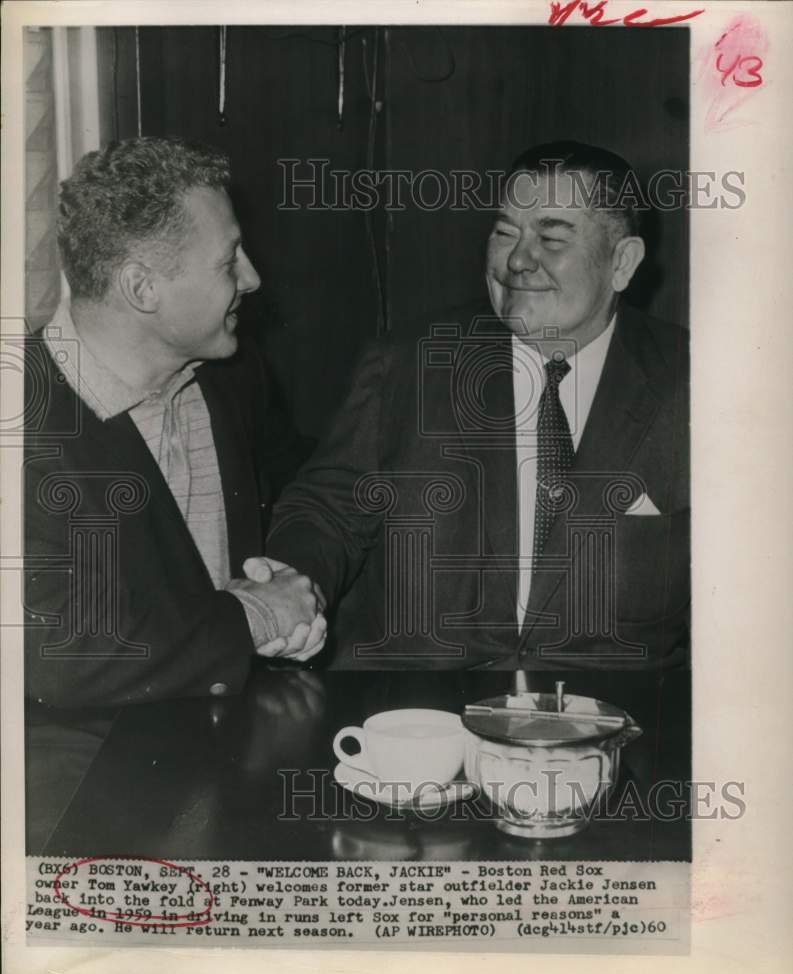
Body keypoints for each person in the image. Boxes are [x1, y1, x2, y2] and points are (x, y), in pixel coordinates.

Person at [265, 141, 690, 670]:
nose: (516, 260)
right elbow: (327, 510)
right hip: (421, 716)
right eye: (505, 231)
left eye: (552, 237)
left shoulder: (695, 385)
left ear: (622, 263)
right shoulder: (410, 363)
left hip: (611, 719)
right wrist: (290, 588)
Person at [24, 136, 326, 710]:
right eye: (228, 260)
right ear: (142, 288)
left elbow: (299, 486)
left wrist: (294, 591)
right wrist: (258, 615)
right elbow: (56, 653)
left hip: (240, 730)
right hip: (88, 775)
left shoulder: (232, 371)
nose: (254, 278)